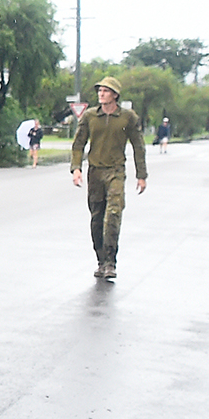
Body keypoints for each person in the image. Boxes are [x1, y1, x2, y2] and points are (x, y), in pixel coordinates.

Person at [70, 76, 148, 280]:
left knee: (113, 214)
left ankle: (111, 262)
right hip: (94, 171)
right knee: (97, 219)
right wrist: (76, 168)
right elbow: (78, 144)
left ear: (115, 95)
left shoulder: (127, 117)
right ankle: (101, 260)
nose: (101, 94)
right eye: (99, 91)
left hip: (115, 171)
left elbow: (138, 146)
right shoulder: (89, 116)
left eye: (105, 91)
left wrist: (141, 175)